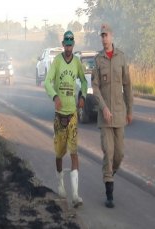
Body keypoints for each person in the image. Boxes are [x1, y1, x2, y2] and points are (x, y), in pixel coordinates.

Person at [91, 23, 133, 208]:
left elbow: (128, 86)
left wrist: (130, 110)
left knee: (119, 154)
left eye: (106, 35)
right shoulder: (98, 60)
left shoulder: (121, 57)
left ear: (112, 36)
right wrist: (104, 107)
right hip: (105, 116)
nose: (104, 38)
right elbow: (95, 86)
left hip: (119, 114)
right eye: (102, 35)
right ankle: (109, 194)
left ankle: (110, 173)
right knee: (108, 153)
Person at [44, 30, 87, 208]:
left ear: (73, 45)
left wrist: (83, 95)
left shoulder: (77, 62)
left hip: (73, 115)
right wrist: (55, 97)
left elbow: (84, 81)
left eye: (71, 44)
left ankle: (76, 195)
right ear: (63, 44)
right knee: (59, 153)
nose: (68, 47)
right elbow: (47, 81)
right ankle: (60, 183)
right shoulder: (57, 62)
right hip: (59, 116)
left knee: (74, 153)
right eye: (66, 44)